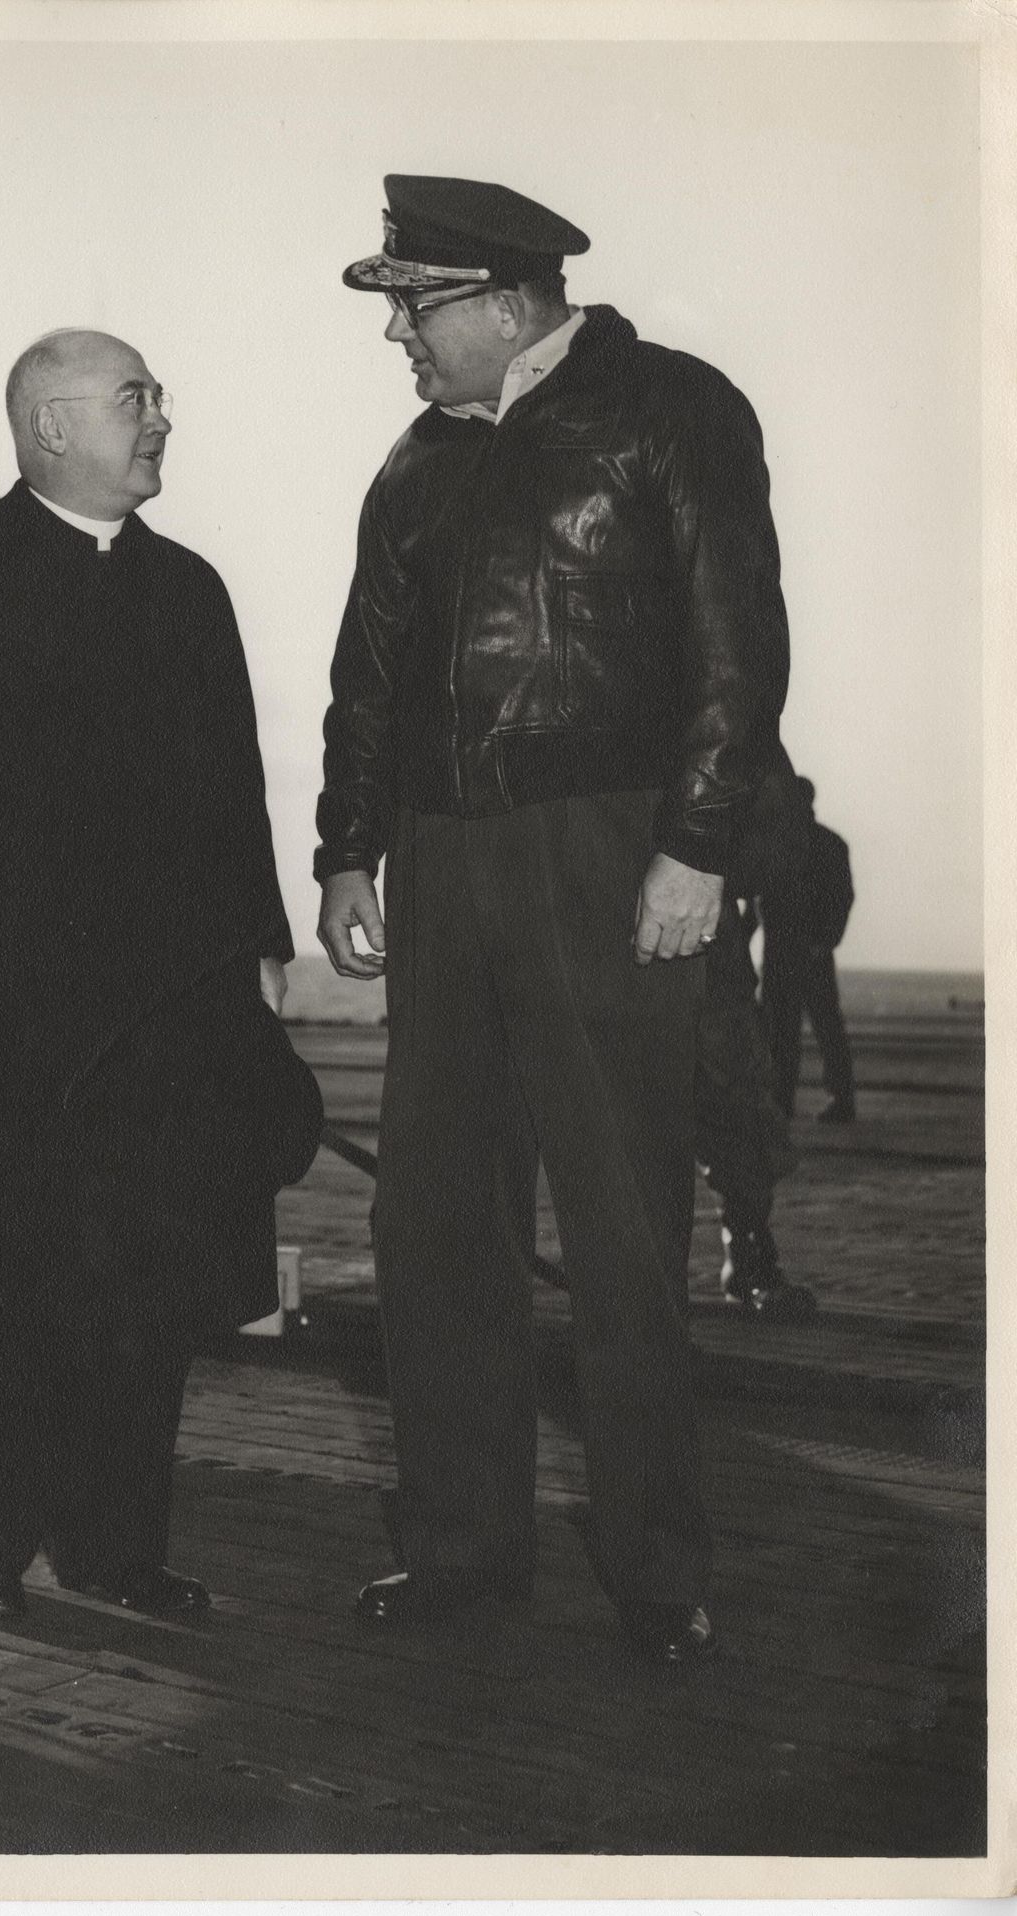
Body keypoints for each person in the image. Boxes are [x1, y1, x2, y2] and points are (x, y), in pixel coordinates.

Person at [314, 176, 789, 1663]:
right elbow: (368, 681)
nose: (396, 332)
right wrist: (346, 854)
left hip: (611, 853)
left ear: (506, 302)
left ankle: (660, 1574)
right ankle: (464, 1550)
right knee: (436, 1224)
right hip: (446, 868)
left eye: (414, 302)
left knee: (624, 1230)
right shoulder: (414, 464)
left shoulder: (669, 410)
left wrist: (696, 848)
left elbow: (738, 640)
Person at [0, 329, 301, 1623]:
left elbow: (237, 795)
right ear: (49, 427)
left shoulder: (193, 591)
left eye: (155, 397)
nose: (162, 419)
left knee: (149, 1289)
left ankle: (119, 1547)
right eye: (134, 400)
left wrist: (259, 951)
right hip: (4, 1009)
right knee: (5, 1288)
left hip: (166, 1016)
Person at [696, 756, 818, 1321]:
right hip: (596, 933)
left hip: (702, 941)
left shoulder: (723, 706)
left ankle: (748, 1256)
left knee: (737, 1106)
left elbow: (778, 832)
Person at [760, 776, 858, 1124]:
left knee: (796, 1029)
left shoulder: (784, 844)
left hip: (798, 953)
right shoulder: (821, 844)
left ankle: (794, 1100)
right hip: (796, 952)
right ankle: (822, 1099)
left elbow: (841, 899)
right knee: (804, 1028)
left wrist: (825, 940)